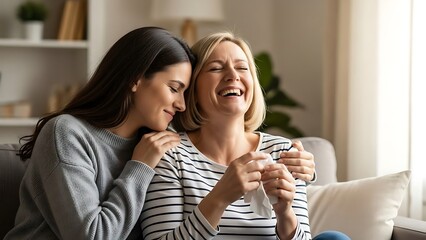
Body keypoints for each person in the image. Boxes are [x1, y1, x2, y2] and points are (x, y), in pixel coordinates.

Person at [140, 32, 349, 240]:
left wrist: (285, 213)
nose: (233, 75)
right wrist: (220, 196)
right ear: (192, 89)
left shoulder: (283, 153)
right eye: (216, 68)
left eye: (242, 67)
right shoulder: (171, 155)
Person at [4, 26, 196, 240]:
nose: (181, 105)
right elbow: (93, 237)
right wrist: (140, 168)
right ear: (136, 79)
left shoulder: (156, 145)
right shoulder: (66, 134)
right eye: (173, 88)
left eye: (185, 92)